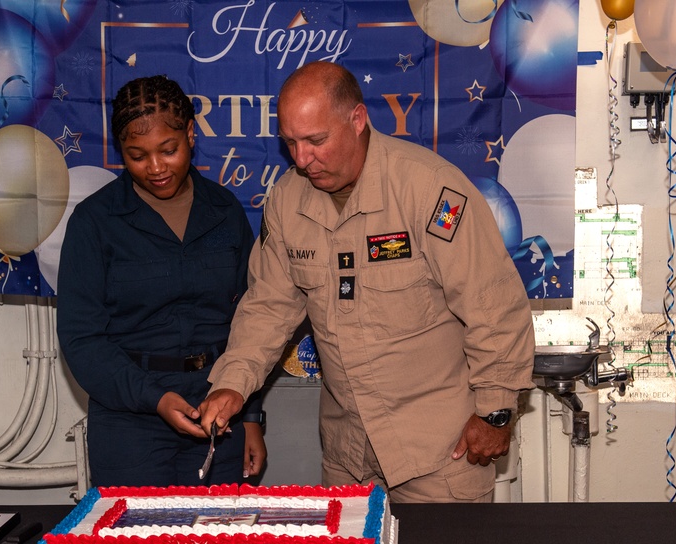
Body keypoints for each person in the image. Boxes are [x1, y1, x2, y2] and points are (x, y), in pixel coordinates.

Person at [199, 62, 534, 503]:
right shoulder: (287, 200)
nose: (301, 159)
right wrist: (233, 381)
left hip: (438, 454)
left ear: (357, 121)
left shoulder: (428, 190)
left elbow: (493, 306)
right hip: (347, 456)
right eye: (291, 143)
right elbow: (268, 305)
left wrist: (494, 412)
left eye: (316, 140)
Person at [56, 75, 266, 487]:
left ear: (190, 135)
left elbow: (252, 321)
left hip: (218, 412)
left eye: (168, 150)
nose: (155, 168)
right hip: (129, 423)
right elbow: (82, 340)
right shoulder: (95, 223)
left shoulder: (225, 212)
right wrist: (154, 398)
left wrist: (252, 416)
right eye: (137, 156)